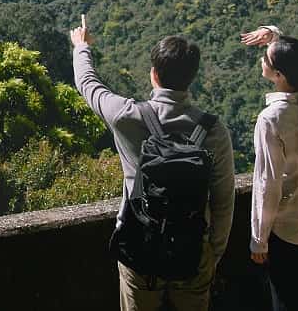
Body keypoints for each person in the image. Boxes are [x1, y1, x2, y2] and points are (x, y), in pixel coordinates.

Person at [70, 20, 236, 311]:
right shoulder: (213, 131)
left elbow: (88, 84)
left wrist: (81, 46)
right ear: (192, 77)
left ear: (153, 74)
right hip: (192, 251)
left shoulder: (126, 116)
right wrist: (211, 252)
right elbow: (223, 200)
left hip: (140, 251)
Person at [240, 25, 298, 311]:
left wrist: (259, 240)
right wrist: (274, 35)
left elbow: (267, 183)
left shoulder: (271, 119)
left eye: (266, 59)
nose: (261, 60)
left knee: (288, 301)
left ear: (278, 75)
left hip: (290, 228)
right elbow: (296, 57)